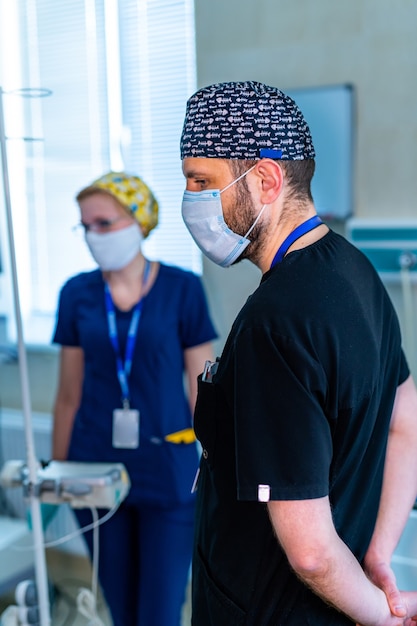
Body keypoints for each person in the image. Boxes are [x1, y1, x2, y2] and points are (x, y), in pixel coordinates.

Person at [179, 80, 417, 625]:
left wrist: (384, 621)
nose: (192, 203)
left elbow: (310, 554)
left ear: (265, 179)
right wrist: (377, 557)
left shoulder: (276, 322)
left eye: (201, 181)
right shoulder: (356, 271)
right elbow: (406, 418)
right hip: (338, 599)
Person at [51, 171, 217, 626]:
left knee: (160, 612)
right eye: (85, 226)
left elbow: (201, 386)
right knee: (120, 608)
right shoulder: (77, 294)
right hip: (93, 470)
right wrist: (57, 472)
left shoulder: (182, 289)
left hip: (168, 468)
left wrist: (212, 459)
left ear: (139, 221)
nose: (93, 235)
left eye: (104, 223)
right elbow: (68, 395)